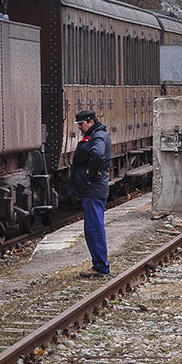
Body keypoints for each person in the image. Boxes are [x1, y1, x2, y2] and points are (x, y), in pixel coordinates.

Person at [69, 110, 111, 278]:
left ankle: (100, 266)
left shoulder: (98, 136)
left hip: (93, 189)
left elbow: (98, 155)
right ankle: (99, 264)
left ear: (90, 122)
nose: (79, 127)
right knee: (92, 228)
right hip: (92, 189)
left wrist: (91, 175)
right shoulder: (96, 134)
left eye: (81, 124)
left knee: (94, 228)